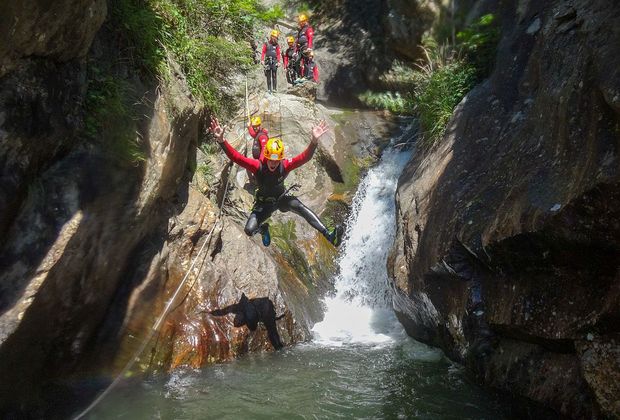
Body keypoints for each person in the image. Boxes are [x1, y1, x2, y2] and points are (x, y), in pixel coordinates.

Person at [209, 117, 343, 247]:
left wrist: (314, 141)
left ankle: (329, 235)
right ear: (266, 156)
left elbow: (304, 157)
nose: (273, 163)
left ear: (280, 158)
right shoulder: (257, 166)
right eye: (270, 159)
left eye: (276, 160)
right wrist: (222, 141)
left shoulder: (284, 165)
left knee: (299, 207)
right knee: (249, 230)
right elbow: (237, 157)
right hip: (264, 204)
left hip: (281, 198)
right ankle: (263, 229)